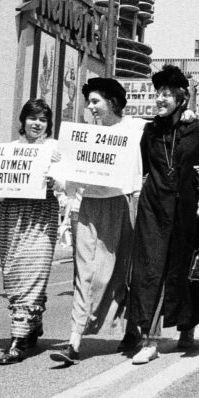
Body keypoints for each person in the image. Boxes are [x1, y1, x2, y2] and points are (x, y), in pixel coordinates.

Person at [50, 78, 143, 366]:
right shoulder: (85, 135)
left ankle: (133, 329)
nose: (90, 108)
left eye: (95, 101)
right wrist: (57, 163)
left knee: (123, 273)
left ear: (112, 102)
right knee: (87, 273)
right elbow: (68, 178)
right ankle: (75, 339)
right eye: (89, 102)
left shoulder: (137, 129)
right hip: (90, 206)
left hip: (124, 203)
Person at [125, 64, 199, 365]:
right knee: (150, 271)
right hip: (154, 207)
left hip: (187, 209)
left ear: (182, 98)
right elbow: (141, 168)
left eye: (166, 94)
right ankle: (149, 339)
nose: (160, 99)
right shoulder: (149, 130)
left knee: (184, 270)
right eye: (157, 94)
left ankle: (187, 327)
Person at [0, 98, 62, 365]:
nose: (37, 123)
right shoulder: (9, 149)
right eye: (33, 118)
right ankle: (34, 323)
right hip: (12, 215)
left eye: (43, 120)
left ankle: (18, 339)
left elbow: (66, 182)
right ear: (23, 121)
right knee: (13, 272)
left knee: (35, 269)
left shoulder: (54, 148)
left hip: (42, 214)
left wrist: (55, 175)